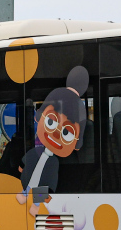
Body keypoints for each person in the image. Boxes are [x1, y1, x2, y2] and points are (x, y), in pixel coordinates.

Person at [19, 66, 89, 202]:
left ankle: (35, 203)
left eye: (66, 132)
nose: (56, 135)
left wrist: (21, 167)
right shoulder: (80, 108)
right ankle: (30, 199)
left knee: (43, 184)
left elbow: (39, 114)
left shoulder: (56, 94)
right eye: (51, 122)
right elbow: (79, 142)